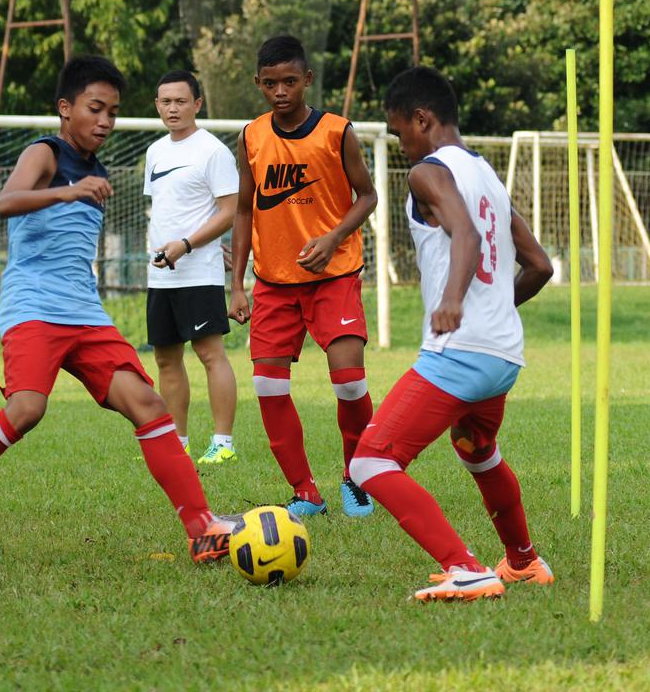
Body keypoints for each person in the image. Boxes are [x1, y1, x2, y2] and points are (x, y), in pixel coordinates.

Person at [0, 56, 235, 566]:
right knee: (27, 410)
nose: (105, 122)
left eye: (113, 113)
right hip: (33, 305)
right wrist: (69, 190)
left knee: (149, 405)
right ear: (66, 108)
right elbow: (5, 201)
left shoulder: (98, 171)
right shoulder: (45, 153)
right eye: (95, 109)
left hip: (85, 312)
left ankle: (202, 530)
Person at [348, 66, 554, 601]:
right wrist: (494, 307)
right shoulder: (487, 175)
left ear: (422, 119)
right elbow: (540, 265)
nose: (400, 146)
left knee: (370, 462)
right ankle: (523, 562)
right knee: (478, 452)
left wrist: (455, 301)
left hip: (459, 353)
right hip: (502, 354)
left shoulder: (428, 173)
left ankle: (464, 568)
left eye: (399, 133)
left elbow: (464, 233)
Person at [229, 35, 379, 518]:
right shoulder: (251, 136)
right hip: (273, 283)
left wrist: (333, 238)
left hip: (334, 276)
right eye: (270, 83)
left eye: (290, 81)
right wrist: (236, 285)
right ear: (258, 83)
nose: (280, 91)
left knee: (350, 384)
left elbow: (368, 196)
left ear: (307, 79)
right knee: (268, 387)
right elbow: (243, 210)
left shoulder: (336, 131)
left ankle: (357, 477)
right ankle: (305, 491)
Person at [144, 70, 240, 464]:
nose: (173, 108)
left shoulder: (213, 151)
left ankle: (223, 443)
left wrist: (187, 245)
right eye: (166, 101)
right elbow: (165, 210)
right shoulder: (155, 152)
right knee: (166, 358)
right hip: (160, 274)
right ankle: (177, 443)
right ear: (157, 105)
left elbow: (229, 211)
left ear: (197, 104)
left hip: (198, 272)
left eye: (181, 101)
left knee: (210, 354)